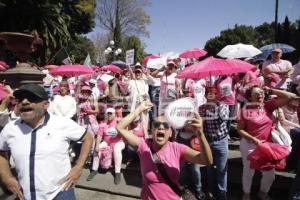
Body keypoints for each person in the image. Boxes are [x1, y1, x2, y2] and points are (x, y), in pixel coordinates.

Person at [0, 84, 93, 200]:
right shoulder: (10, 129)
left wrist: (78, 167)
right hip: (25, 195)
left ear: (45, 105)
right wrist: (6, 177)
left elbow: (88, 138)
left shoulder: (62, 124)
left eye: (31, 98)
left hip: (60, 193)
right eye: (20, 99)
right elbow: (1, 152)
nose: (24, 102)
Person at [116, 100, 213, 200]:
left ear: (170, 133)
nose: (161, 127)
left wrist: (200, 133)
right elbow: (120, 127)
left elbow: (207, 160)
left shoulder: (177, 148)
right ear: (152, 130)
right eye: (157, 125)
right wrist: (139, 110)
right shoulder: (143, 145)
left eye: (166, 125)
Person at [237, 85, 297, 200]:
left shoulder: (268, 106)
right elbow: (239, 129)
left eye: (261, 92)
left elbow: (291, 96)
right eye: (256, 93)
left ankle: (263, 192)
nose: (260, 94)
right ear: (250, 97)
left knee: (270, 175)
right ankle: (246, 193)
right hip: (249, 145)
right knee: (249, 171)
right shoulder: (245, 110)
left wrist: (270, 90)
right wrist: (254, 139)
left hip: (268, 145)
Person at [199, 87, 229, 200]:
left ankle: (222, 192)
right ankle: (211, 191)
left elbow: (224, 118)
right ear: (205, 95)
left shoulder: (223, 106)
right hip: (208, 141)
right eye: (209, 93)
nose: (211, 95)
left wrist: (216, 106)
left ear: (217, 95)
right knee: (209, 168)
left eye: (214, 93)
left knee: (222, 169)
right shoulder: (201, 108)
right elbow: (201, 124)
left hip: (221, 141)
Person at [87, 108, 125, 185]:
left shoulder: (119, 122)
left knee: (117, 149)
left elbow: (123, 133)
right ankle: (94, 169)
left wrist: (120, 124)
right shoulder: (103, 124)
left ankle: (117, 172)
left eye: (111, 113)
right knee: (98, 148)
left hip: (119, 142)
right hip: (106, 142)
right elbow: (99, 136)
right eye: (108, 113)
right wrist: (97, 145)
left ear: (114, 114)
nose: (109, 115)